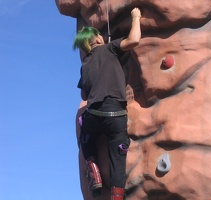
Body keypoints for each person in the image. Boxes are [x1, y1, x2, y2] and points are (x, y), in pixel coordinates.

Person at [73, 7, 141, 200]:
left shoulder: (84, 65)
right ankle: (117, 196)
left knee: (86, 139)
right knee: (118, 157)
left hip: (94, 115)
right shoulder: (110, 49)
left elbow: (85, 94)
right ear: (96, 39)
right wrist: (136, 17)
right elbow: (134, 39)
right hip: (116, 115)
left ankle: (94, 171)